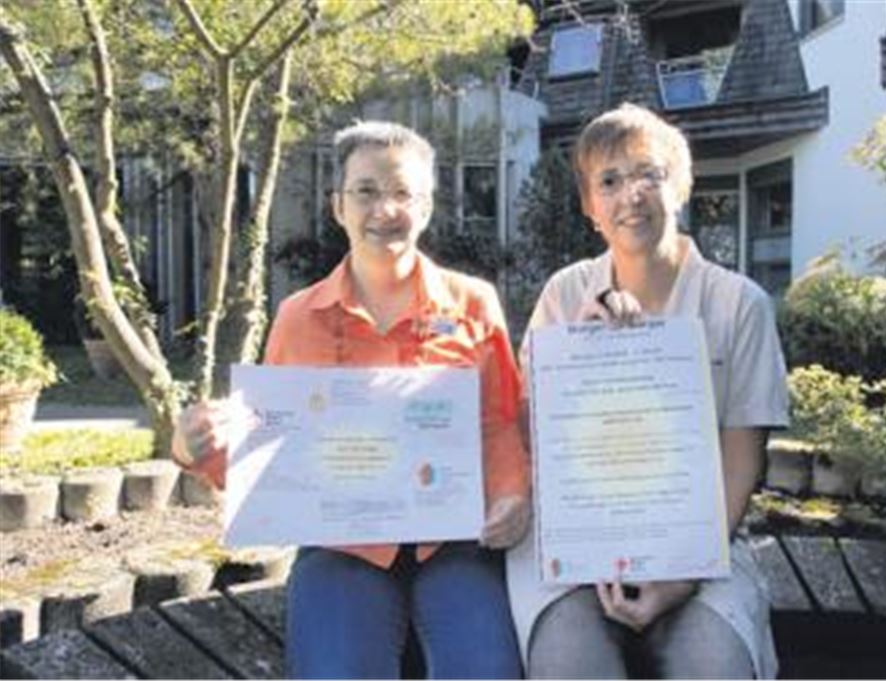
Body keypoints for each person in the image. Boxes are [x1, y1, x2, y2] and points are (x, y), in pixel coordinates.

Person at [171, 121, 530, 679]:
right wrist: (199, 447)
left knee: (484, 669)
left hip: (455, 543)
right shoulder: (298, 318)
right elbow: (272, 452)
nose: (385, 208)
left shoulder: (474, 304)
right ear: (338, 205)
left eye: (403, 193)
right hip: (342, 547)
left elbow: (502, 423)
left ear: (428, 206)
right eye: (365, 191)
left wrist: (511, 498)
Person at [506, 103, 789, 679]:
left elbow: (742, 457)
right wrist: (578, 354)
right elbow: (529, 432)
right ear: (590, 207)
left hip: (702, 538)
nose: (630, 194)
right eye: (609, 181)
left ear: (679, 187)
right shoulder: (565, 294)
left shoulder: (739, 303)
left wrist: (685, 573)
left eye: (648, 175)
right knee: (567, 665)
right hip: (575, 539)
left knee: (715, 665)